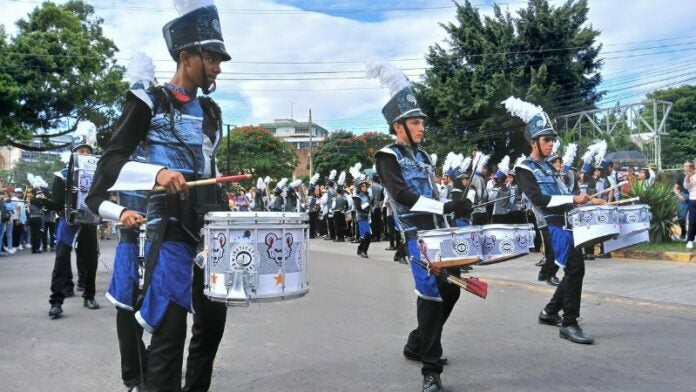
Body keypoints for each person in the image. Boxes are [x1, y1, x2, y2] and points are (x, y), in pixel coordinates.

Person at [85, 2, 231, 390]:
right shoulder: (147, 102)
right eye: (212, 57)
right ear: (186, 57)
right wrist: (158, 174)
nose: (218, 66)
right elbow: (111, 161)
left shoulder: (212, 111)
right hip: (165, 230)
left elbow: (208, 167)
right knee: (169, 333)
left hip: (206, 230)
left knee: (213, 324)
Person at [371, 62, 472, 392]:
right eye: (415, 122)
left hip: (439, 234)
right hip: (416, 237)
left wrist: (455, 198)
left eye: (421, 122)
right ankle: (430, 370)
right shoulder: (387, 156)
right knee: (429, 297)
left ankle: (417, 343)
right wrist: (444, 205)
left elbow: (432, 192)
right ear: (398, 126)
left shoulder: (425, 158)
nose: (421, 127)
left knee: (452, 289)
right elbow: (402, 195)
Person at [503, 96, 606, 345]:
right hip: (552, 226)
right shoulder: (524, 169)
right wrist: (575, 197)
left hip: (569, 223)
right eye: (546, 140)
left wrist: (591, 201)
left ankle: (550, 312)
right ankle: (569, 323)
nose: (551, 144)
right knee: (575, 269)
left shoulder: (550, 168)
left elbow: (566, 198)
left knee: (573, 271)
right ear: (533, 142)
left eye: (552, 140)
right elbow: (538, 199)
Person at [47, 142, 101, 318]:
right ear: (74, 154)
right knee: (61, 258)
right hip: (68, 221)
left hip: (89, 222)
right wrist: (46, 204)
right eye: (81, 150)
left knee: (91, 260)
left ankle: (89, 295)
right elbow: (56, 202)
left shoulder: (97, 175)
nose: (85, 153)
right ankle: (56, 301)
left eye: (87, 151)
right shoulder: (62, 175)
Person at [353, 176, 372, 258]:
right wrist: (368, 204)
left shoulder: (367, 195)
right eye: (363, 186)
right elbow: (359, 208)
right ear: (359, 187)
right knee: (367, 235)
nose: (365, 187)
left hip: (367, 217)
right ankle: (363, 251)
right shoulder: (357, 196)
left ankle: (360, 248)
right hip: (360, 217)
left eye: (365, 185)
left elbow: (369, 206)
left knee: (366, 235)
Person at [674, 161, 690, 240]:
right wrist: (679, 196)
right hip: (683, 196)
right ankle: (683, 231)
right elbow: (675, 188)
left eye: (688, 166)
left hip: (693, 197)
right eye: (685, 166)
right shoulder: (680, 176)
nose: (687, 168)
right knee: (681, 217)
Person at [683, 161, 696, 250]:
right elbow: (686, 187)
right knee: (692, 222)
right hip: (693, 200)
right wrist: (688, 176)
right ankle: (690, 241)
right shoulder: (690, 176)